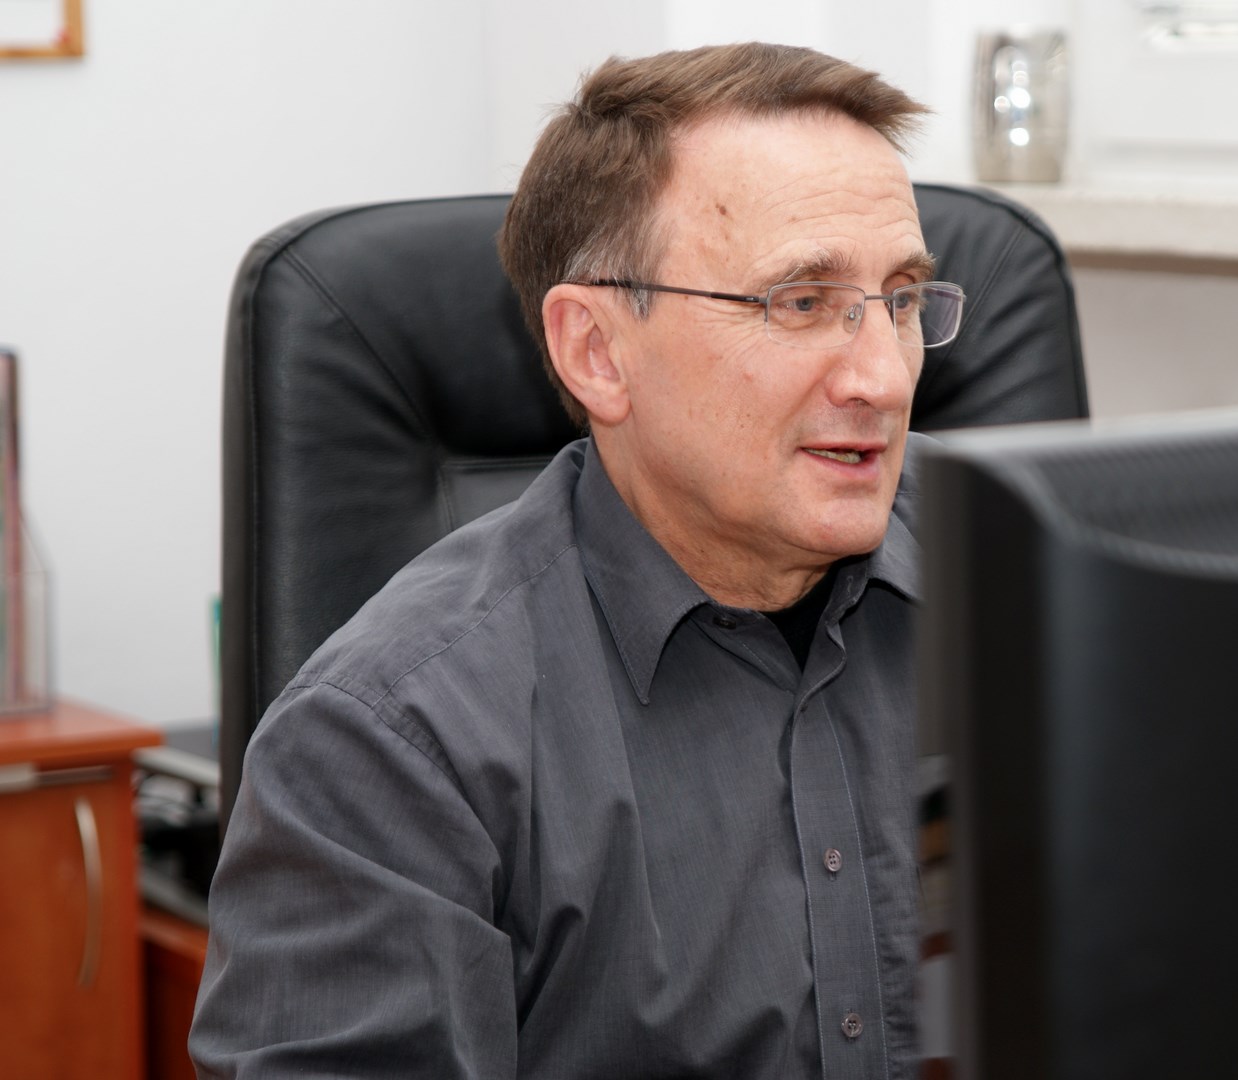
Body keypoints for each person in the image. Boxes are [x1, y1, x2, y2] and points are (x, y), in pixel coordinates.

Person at [190, 41, 965, 1079]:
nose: (882, 377)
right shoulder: (388, 744)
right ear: (595, 351)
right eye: (799, 302)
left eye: (902, 300)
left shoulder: (1021, 584)